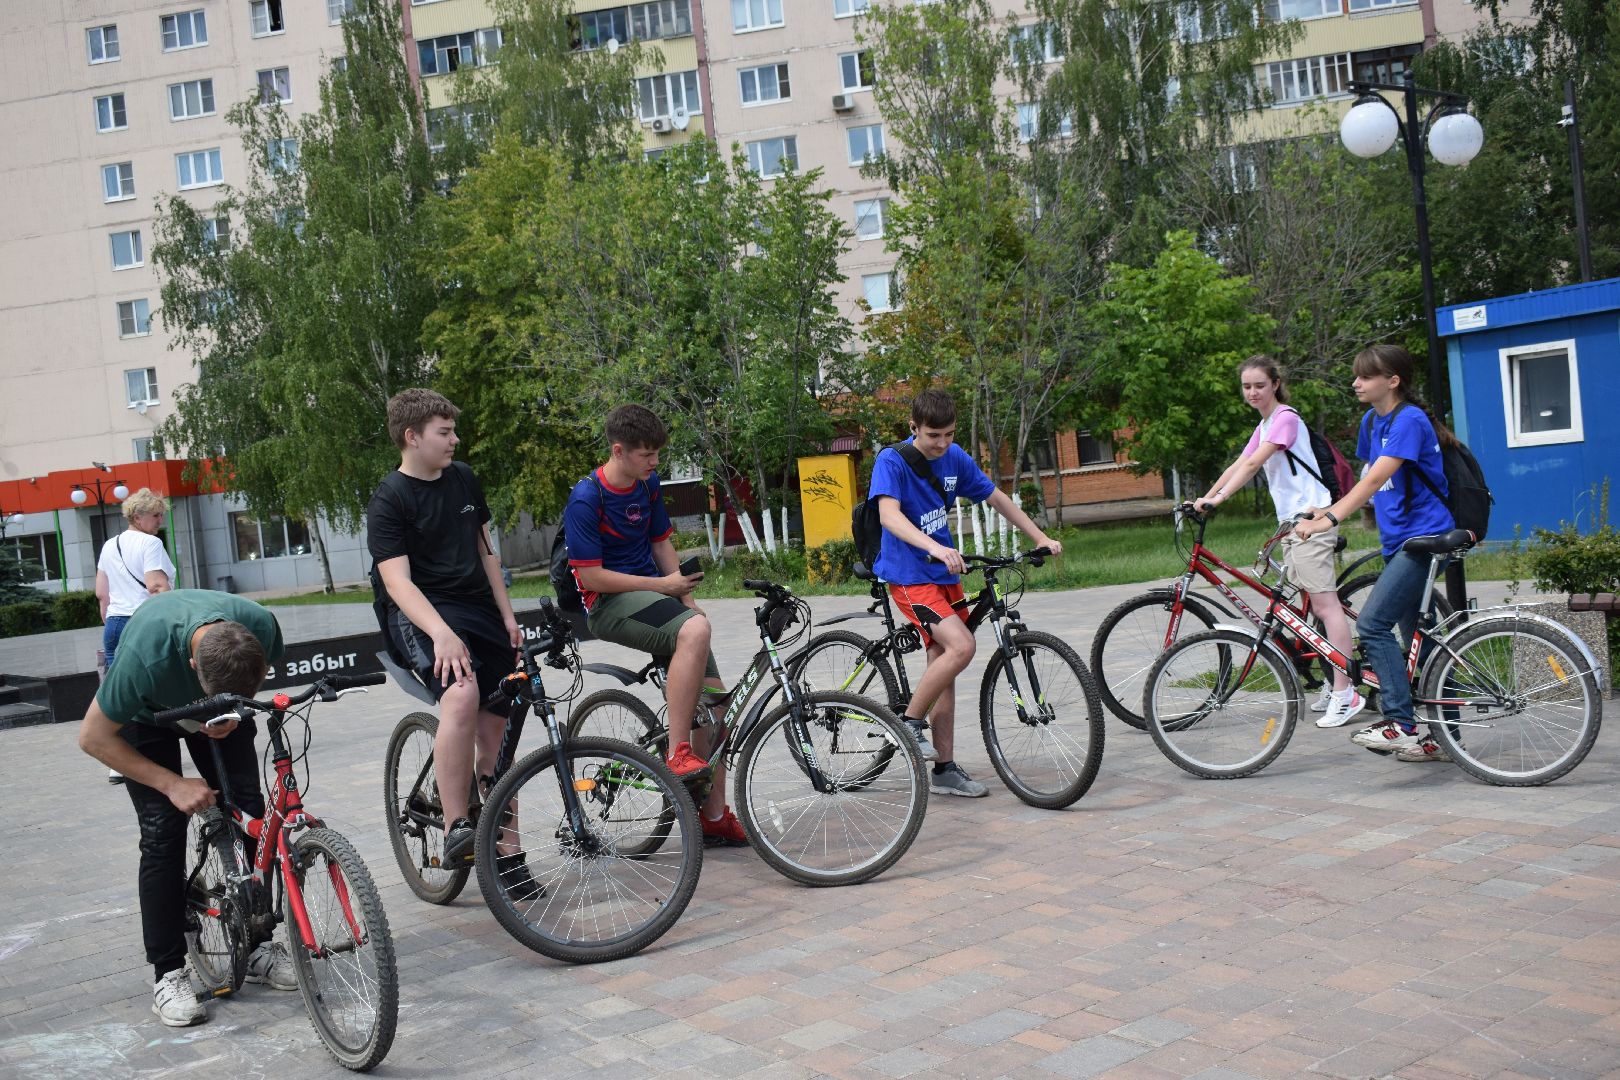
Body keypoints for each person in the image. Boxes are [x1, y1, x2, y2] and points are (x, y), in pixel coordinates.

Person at [76, 590, 290, 1027]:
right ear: (193, 667)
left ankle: (257, 945)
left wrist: (233, 710)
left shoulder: (261, 626)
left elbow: (254, 680)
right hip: (146, 714)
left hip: (218, 705)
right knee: (162, 831)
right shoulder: (144, 660)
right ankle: (168, 973)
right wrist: (171, 784)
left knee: (249, 809)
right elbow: (93, 738)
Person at [367, 389, 534, 887]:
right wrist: (440, 633)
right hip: (421, 614)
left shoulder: (463, 479)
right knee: (461, 696)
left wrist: (508, 617)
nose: (454, 440)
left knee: (498, 735)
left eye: (453, 431)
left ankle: (508, 853)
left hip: (479, 609)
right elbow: (397, 582)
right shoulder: (389, 499)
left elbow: (487, 554)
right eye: (444, 432)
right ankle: (457, 826)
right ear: (411, 436)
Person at [563, 404, 747, 846]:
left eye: (658, 455)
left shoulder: (646, 486)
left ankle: (713, 817)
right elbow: (590, 577)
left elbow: (660, 541)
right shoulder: (587, 497)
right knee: (694, 631)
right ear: (618, 450)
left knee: (718, 708)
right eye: (647, 455)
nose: (655, 463)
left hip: (655, 594)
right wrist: (664, 586)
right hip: (609, 605)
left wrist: (686, 597)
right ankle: (677, 751)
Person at [872, 389, 1062, 797]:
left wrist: (1040, 537)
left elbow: (996, 498)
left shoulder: (956, 457)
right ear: (913, 427)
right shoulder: (891, 461)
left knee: (945, 664)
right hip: (910, 575)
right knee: (962, 647)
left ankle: (943, 769)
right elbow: (889, 516)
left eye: (949, 434)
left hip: (945, 577)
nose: (942, 444)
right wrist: (935, 547)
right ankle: (906, 725)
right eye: (932, 435)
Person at [1293, 343, 1458, 763]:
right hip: (1397, 542)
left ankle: (1401, 724)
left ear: (1393, 381)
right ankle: (1441, 738)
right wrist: (1326, 507)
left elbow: (1373, 481)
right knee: (1422, 641)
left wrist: (1329, 521)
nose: (1356, 382)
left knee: (1372, 625)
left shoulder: (1410, 420)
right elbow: (1366, 483)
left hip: (1424, 539)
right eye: (1357, 375)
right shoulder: (1372, 421)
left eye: (1365, 376)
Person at [1195, 357, 1363, 729]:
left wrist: (1219, 501)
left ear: (1275, 384)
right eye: (1246, 387)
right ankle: (1333, 681)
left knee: (1324, 605)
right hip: (1291, 523)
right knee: (1308, 605)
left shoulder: (1285, 418)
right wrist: (1203, 498)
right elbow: (1240, 463)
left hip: (1312, 520)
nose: (1252, 392)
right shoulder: (1266, 424)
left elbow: (1254, 466)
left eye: (1258, 385)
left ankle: (1346, 691)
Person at [96, 487, 178, 785]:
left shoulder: (109, 545)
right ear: (138, 516)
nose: (159, 521)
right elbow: (156, 587)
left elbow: (101, 594)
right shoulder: (150, 543)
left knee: (119, 692)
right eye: (156, 515)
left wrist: (111, 620)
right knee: (160, 685)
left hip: (115, 623)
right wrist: (174, 617)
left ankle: (118, 762)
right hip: (143, 622)